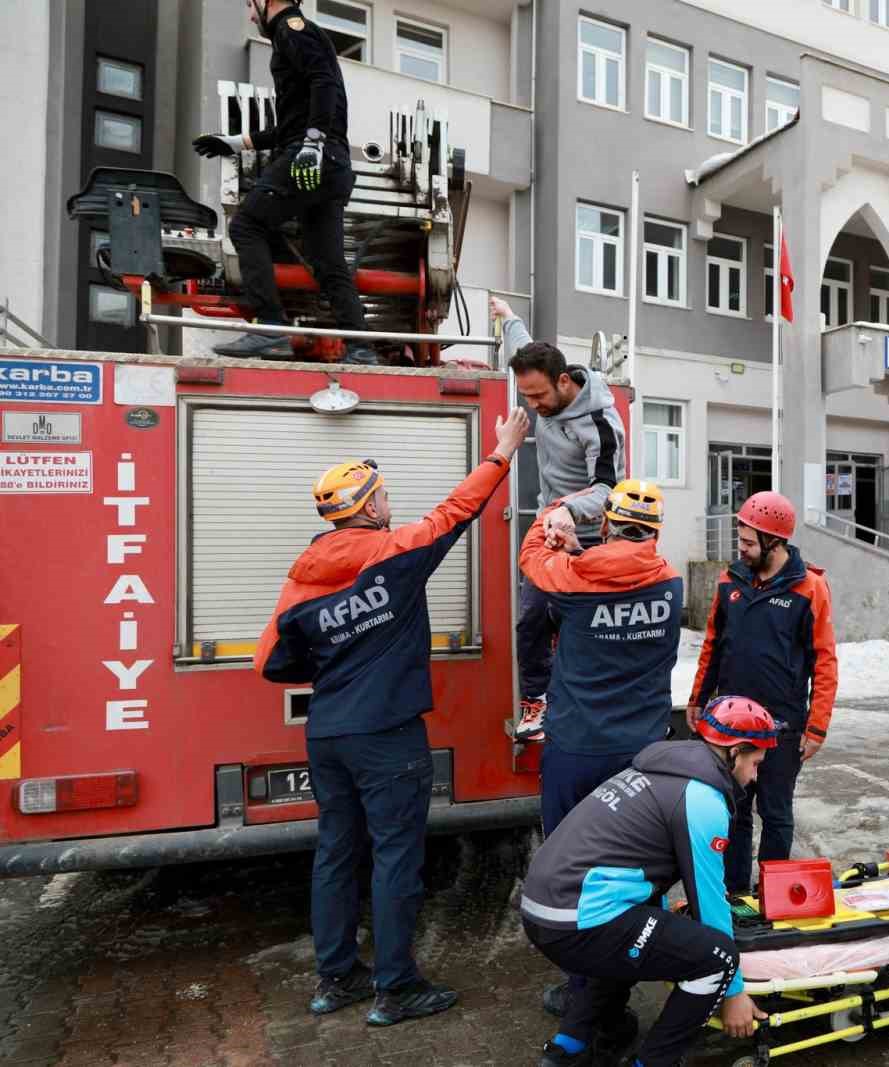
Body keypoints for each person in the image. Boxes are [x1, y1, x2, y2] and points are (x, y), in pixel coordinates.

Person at [255, 406, 530, 1025]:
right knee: (395, 856)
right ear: (370, 507)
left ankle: (336, 980)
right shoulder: (394, 553)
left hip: (327, 733)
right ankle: (396, 987)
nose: (389, 505)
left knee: (334, 852)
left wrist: (334, 660)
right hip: (387, 734)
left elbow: (271, 662)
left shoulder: (301, 580)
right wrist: (503, 452)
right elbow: (456, 513)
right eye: (382, 497)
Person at [521, 696, 777, 1067]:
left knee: (637, 938)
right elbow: (709, 903)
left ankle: (568, 1050)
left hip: (543, 912)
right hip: (579, 919)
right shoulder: (702, 799)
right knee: (717, 958)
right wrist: (733, 991)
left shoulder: (654, 769)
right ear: (735, 752)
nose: (754, 776)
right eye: (755, 763)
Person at [520, 480, 683, 1019]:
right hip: (642, 755)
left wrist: (557, 511)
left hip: (577, 747)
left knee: (573, 865)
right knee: (640, 865)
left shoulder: (572, 581)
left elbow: (532, 555)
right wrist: (582, 555)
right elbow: (622, 575)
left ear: (606, 523)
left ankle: (583, 990)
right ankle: (640, 962)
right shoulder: (671, 586)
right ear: (656, 533)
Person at [192, 0, 377, 364]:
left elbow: (323, 82)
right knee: (328, 263)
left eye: (250, 4)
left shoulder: (293, 30)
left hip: (313, 156)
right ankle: (360, 349)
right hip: (333, 165)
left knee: (246, 225)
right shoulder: (296, 36)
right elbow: (289, 125)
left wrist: (311, 142)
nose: (249, 14)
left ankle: (269, 326)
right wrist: (234, 142)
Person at [489, 297, 626, 745]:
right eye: (525, 396)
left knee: (581, 632)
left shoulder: (600, 422)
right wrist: (508, 318)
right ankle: (537, 703)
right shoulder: (541, 378)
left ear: (564, 381)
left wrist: (569, 509)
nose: (531, 406)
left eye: (538, 396)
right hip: (549, 531)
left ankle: (588, 706)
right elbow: (524, 343)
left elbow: (608, 492)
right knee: (530, 621)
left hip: (586, 540)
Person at [688, 491, 837, 894]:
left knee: (775, 814)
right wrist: (697, 700)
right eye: (741, 540)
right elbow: (713, 644)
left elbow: (825, 662)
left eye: (750, 542)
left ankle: (771, 895)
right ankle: (735, 892)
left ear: (775, 541)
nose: (742, 548)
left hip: (783, 726)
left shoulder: (810, 588)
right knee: (734, 812)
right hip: (730, 725)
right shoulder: (730, 580)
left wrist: (817, 727)